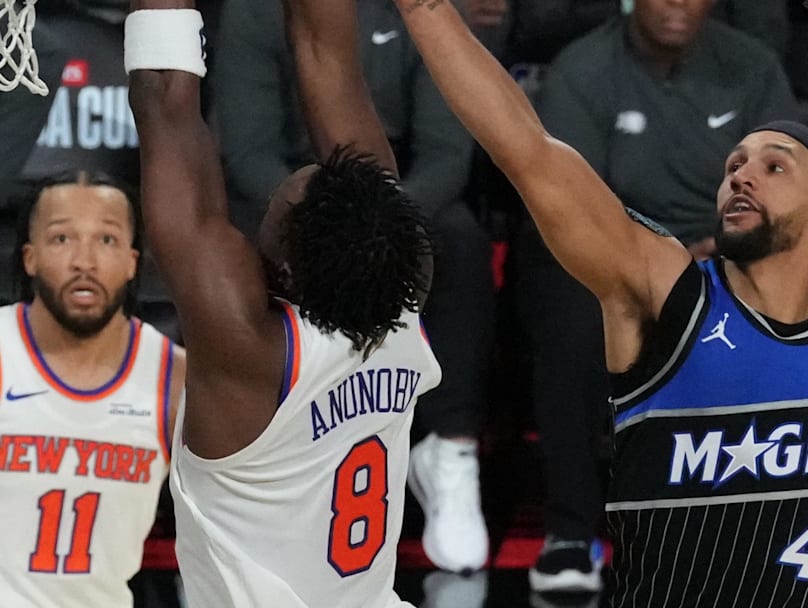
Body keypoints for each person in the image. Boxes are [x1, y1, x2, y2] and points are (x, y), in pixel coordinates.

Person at [391, 4, 808, 607]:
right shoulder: (665, 297)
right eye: (735, 165)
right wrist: (423, 7)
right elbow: (528, 152)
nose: (741, 174)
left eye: (774, 165)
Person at [126, 0, 441, 605]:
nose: (304, 172)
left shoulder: (250, 350)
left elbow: (164, 96)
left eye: (287, 198)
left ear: (282, 272)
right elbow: (330, 58)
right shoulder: (400, 283)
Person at [516, 0, 797, 592]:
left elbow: (787, 190)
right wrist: (657, 260)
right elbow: (570, 204)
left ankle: (796, 526)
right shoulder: (582, 70)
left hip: (727, 253)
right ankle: (571, 530)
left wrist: (717, 252)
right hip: (614, 258)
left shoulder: (753, 66)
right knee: (564, 302)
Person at [211, 0, 491, 571]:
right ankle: (242, 472)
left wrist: (375, 228)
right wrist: (322, 226)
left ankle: (452, 451)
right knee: (226, 248)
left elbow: (447, 152)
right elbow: (246, 151)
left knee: (460, 238)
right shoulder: (251, 13)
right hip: (283, 197)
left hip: (386, 192)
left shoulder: (419, 8)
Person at [0, 169, 184, 608]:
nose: (85, 260)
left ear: (132, 261)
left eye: (106, 240)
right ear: (30, 257)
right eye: (62, 239)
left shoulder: (174, 378)